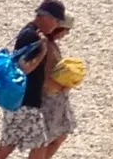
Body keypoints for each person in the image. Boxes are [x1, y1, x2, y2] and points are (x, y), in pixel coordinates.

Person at [0, 0, 70, 159]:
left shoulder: (31, 32)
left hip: (19, 102)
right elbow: (22, 68)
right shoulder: (31, 35)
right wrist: (42, 52)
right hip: (25, 102)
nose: (56, 25)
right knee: (39, 145)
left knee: (7, 145)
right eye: (56, 21)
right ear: (45, 17)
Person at [38, 21, 79, 158]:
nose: (66, 34)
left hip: (57, 97)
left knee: (59, 136)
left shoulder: (52, 45)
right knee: (47, 139)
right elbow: (47, 77)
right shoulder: (48, 47)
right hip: (51, 98)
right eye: (66, 30)